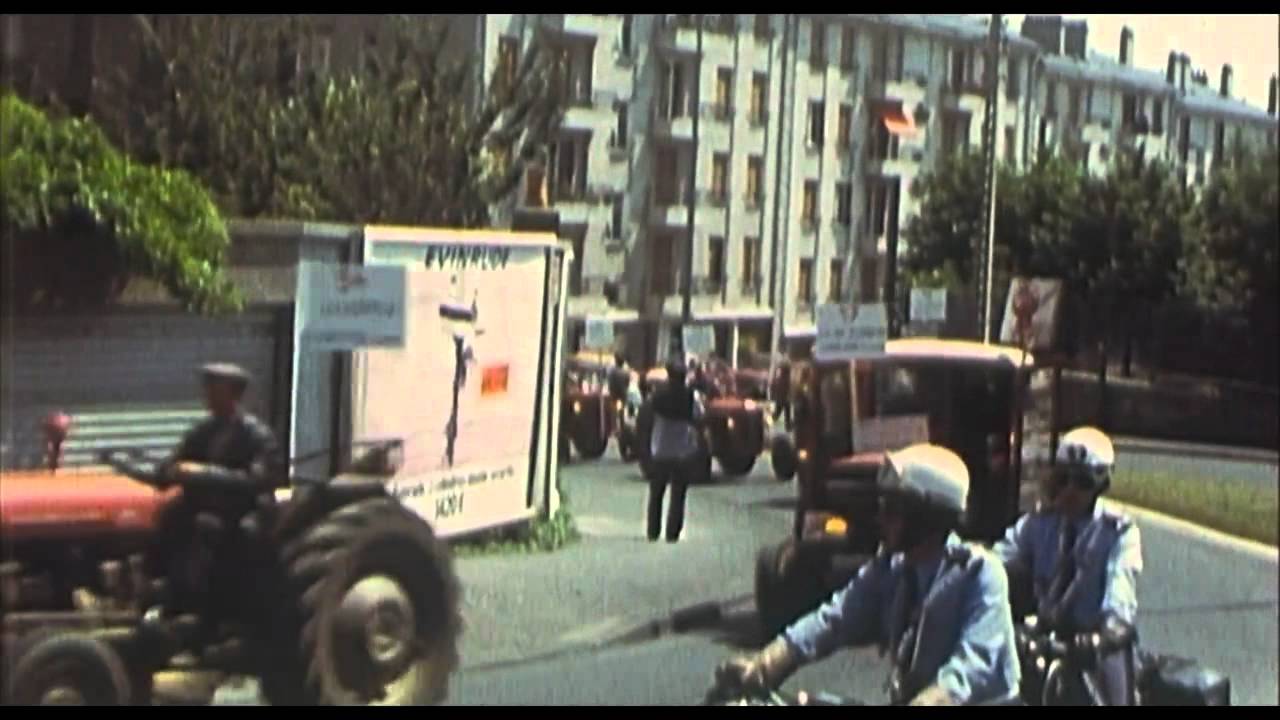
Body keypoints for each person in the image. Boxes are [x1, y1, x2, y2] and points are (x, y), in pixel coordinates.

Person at [712, 444, 1021, 706]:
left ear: (927, 516)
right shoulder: (890, 569)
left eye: (893, 509)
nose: (881, 518)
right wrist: (770, 662)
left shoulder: (979, 572)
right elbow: (835, 618)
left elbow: (975, 662)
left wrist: (933, 700)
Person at [993, 426, 1142, 706]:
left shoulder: (1117, 532)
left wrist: (1106, 633)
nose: (1069, 491)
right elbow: (996, 563)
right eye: (1062, 479)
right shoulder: (1037, 523)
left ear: (1101, 485)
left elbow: (1120, 594)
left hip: (1093, 645)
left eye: (1082, 483)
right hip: (1041, 638)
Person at [647, 357, 704, 543]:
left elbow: (647, 415)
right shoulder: (690, 396)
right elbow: (699, 416)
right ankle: (673, 532)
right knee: (678, 495)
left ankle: (653, 531)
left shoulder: (658, 395)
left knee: (656, 493)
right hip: (682, 451)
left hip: (660, 449)